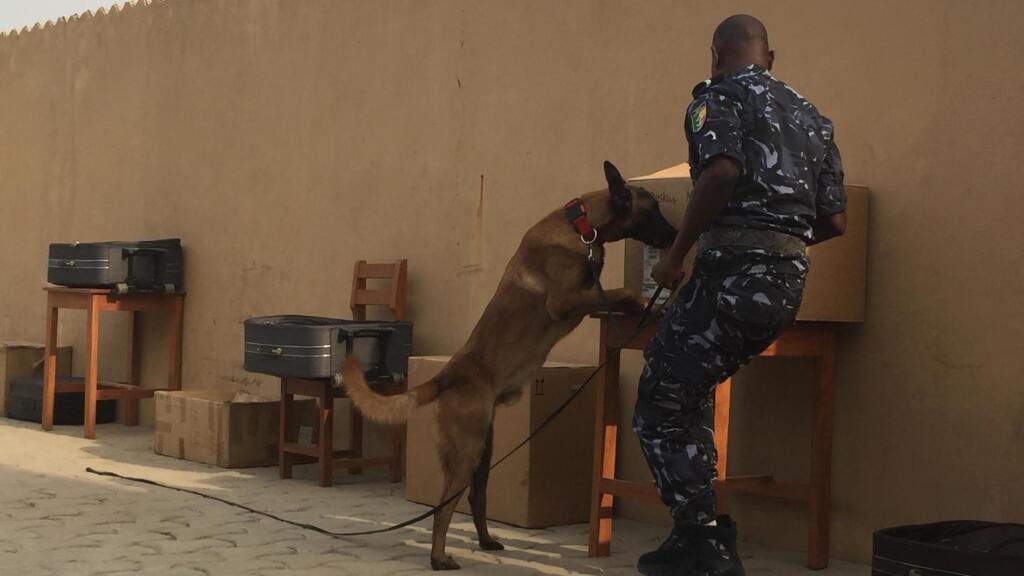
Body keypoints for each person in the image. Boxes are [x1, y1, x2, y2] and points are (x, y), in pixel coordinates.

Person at [632, 14, 847, 576]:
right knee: (689, 386)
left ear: (714, 54)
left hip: (730, 279)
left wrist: (677, 256)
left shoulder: (716, 99)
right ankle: (702, 534)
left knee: (658, 393)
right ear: (770, 58)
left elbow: (721, 173)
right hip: (786, 286)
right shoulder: (814, 120)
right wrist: (777, 242)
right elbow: (836, 221)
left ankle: (701, 542)